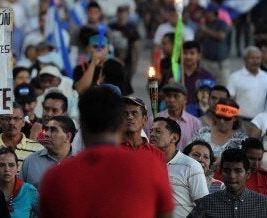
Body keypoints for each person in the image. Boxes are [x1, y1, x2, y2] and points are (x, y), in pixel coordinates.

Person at [39, 86, 174, 217]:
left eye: (134, 113)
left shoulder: (55, 177)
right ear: (120, 123)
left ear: (81, 124)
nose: (130, 117)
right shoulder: (150, 166)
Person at [149, 117, 209, 217]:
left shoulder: (191, 166)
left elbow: (204, 205)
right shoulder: (148, 163)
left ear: (174, 138)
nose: (152, 134)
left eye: (158, 131)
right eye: (151, 131)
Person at [188, 148, 267, 217]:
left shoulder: (263, 203)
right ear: (221, 172)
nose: (232, 176)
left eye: (238, 171)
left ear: (248, 174)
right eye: (227, 171)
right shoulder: (207, 203)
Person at [0, 104, 43, 182]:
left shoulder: (38, 149)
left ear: (23, 122)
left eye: (16, 118)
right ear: (0, 122)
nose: (12, 122)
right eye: (7, 118)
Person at [21, 116, 75, 188]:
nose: (46, 134)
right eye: (46, 129)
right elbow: (20, 195)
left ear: (68, 137)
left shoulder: (81, 162)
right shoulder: (30, 161)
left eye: (53, 130)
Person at [146, 82, 202, 150]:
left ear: (185, 99)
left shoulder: (195, 123)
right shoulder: (153, 120)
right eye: (168, 96)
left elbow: (198, 148)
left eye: (176, 96)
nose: (172, 100)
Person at [0, 147, 37, 218]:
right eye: (1, 165)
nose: (7, 169)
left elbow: (47, 213)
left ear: (17, 167)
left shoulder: (29, 191)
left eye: (11, 165)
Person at [227, 46, 267, 124]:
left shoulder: (265, 76)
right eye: (252, 58)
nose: (255, 61)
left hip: (261, 123)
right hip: (241, 121)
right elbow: (229, 99)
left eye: (258, 58)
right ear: (245, 60)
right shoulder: (235, 77)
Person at [121, 96, 166, 164]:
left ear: (144, 120)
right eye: (125, 114)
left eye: (134, 113)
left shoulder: (156, 154)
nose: (129, 117)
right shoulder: (111, 150)